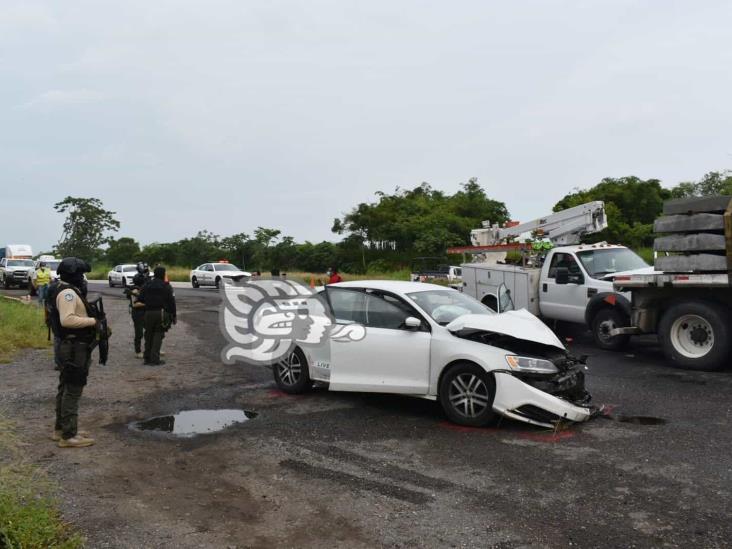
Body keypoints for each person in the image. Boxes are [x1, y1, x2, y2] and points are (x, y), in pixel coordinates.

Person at [48, 257, 97, 448]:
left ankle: (61, 429)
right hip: (74, 347)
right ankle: (69, 436)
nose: (82, 278)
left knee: (65, 386)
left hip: (68, 345)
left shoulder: (60, 288)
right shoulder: (67, 293)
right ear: (73, 274)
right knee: (73, 389)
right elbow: (67, 320)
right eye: (80, 274)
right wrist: (93, 322)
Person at [138, 266, 176, 366]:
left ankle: (147, 358)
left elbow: (140, 299)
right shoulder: (166, 286)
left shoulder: (147, 285)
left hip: (148, 313)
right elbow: (172, 302)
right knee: (158, 336)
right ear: (163, 274)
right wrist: (174, 315)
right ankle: (155, 359)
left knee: (148, 335)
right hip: (161, 313)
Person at [125, 262, 149, 358]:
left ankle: (150, 348)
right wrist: (148, 304)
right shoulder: (134, 290)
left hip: (144, 312)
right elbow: (135, 305)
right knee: (139, 333)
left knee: (149, 330)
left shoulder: (139, 289)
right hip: (138, 313)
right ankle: (138, 351)